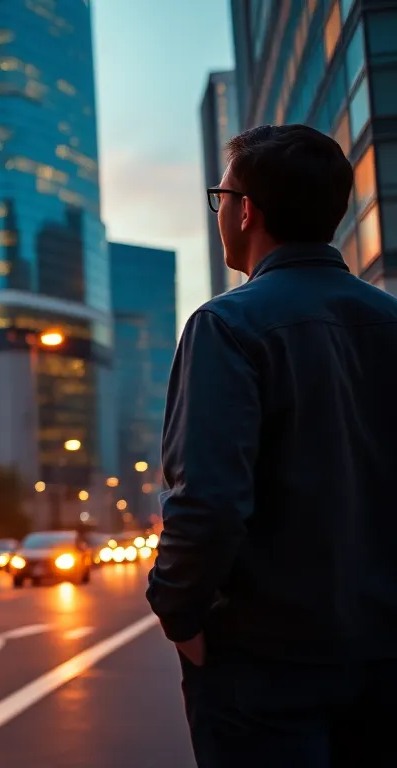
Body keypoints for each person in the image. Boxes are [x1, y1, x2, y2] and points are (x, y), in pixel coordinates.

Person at [148, 123, 397, 766]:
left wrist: (180, 613)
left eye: (221, 196)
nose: (221, 210)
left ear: (246, 209)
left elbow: (206, 501)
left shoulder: (226, 324)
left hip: (267, 663)